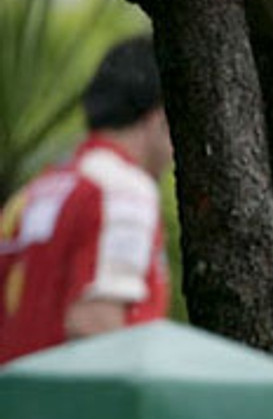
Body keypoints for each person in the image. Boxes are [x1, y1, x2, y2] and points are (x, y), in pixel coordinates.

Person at [0, 35, 173, 365]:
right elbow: (96, 324)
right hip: (73, 412)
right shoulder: (124, 191)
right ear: (160, 117)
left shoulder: (36, 191)